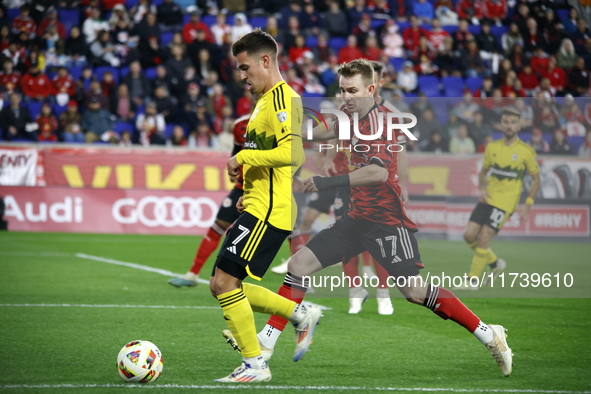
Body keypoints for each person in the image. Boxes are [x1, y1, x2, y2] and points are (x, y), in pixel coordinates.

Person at [224, 59, 514, 379]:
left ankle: (489, 333)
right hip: (355, 218)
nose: (345, 97)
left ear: (371, 89)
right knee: (298, 265)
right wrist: (285, 133)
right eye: (342, 90)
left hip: (386, 221)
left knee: (415, 292)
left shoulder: (384, 124)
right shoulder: (348, 114)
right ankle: (267, 340)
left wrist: (327, 181)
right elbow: (319, 130)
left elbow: (376, 172)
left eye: (352, 91)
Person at [209, 29, 322, 383]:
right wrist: (251, 186)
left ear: (265, 60)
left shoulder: (285, 99)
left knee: (226, 283)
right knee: (221, 284)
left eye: (245, 68)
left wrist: (243, 155)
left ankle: (255, 365)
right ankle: (300, 314)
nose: (242, 76)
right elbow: (269, 160)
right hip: (258, 205)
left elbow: (294, 153)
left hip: (270, 213)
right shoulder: (263, 102)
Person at [459, 108, 541, 291]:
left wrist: (528, 204)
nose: (509, 125)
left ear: (519, 126)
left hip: (506, 201)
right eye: (506, 122)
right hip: (488, 197)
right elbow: (483, 172)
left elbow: (536, 179)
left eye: (513, 122)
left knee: (485, 236)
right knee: (469, 235)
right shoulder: (492, 148)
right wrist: (481, 188)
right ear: (501, 124)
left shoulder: (526, 152)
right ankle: (495, 263)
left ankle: (472, 281)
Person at [168, 113, 250, 287]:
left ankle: (298, 277)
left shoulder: (276, 119)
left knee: (289, 230)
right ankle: (193, 274)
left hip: (267, 188)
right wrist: (233, 168)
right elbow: (236, 152)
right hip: (241, 187)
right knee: (218, 225)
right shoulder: (240, 124)